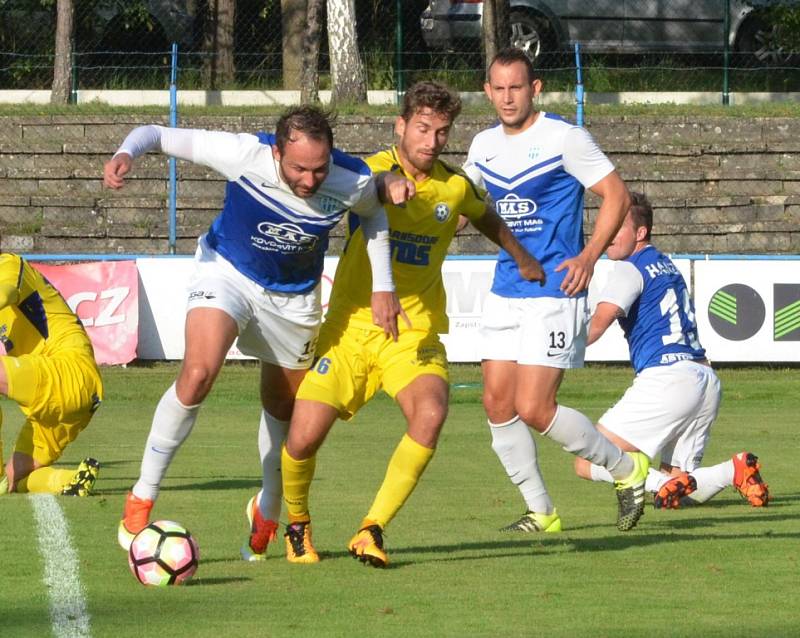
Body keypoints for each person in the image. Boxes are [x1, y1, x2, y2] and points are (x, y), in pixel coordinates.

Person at [104, 105, 410, 552]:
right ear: (277, 151)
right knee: (198, 374)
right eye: (298, 169)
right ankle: (143, 495)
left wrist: (383, 286)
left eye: (319, 169)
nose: (309, 180)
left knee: (282, 406)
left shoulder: (353, 178)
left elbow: (374, 214)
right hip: (226, 271)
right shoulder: (243, 153)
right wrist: (125, 153)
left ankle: (267, 504)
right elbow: (153, 132)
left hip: (294, 299)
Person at [274, 81, 545, 567]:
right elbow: (337, 187)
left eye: (442, 132)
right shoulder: (370, 171)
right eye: (422, 128)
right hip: (350, 329)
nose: (432, 140)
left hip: (413, 333)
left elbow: (484, 216)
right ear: (400, 126)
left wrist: (522, 257)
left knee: (431, 414)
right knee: (302, 438)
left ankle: (371, 528)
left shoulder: (453, 185)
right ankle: (297, 524)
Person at [463, 46, 648, 533]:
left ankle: (627, 469)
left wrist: (588, 257)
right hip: (507, 287)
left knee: (534, 408)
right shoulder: (482, 145)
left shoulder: (565, 138)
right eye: (498, 89)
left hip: (555, 290)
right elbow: (465, 202)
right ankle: (541, 511)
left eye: (516, 87)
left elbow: (617, 194)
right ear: (487, 91)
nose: (507, 97)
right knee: (497, 406)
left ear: (535, 88)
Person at [574, 192, 769, 510]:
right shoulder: (665, 265)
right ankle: (732, 470)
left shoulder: (628, 269)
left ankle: (652, 481)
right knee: (684, 491)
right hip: (704, 379)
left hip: (668, 380)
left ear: (640, 232)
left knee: (587, 456)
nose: (606, 235)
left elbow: (596, 326)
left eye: (615, 227)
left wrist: (551, 347)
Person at [0, 250, 101, 497]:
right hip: (75, 402)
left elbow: (5, 292)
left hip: (69, 372)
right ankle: (71, 480)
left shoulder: (8, 264)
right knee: (13, 479)